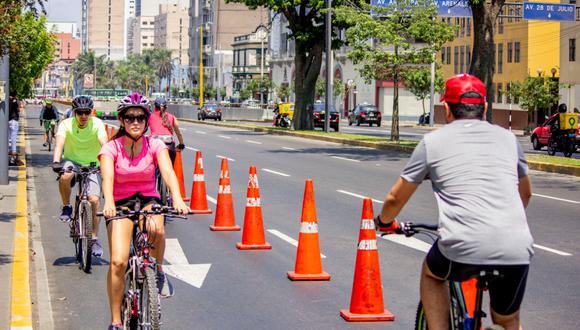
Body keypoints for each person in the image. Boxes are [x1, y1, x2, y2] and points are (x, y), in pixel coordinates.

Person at [375, 74, 533, 330]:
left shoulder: (432, 142)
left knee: (431, 275)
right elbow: (525, 194)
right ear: (484, 108)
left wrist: (384, 223)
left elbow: (395, 197)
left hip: (461, 244)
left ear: (446, 109)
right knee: (507, 319)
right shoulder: (509, 140)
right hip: (515, 246)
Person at [99, 92, 189, 329]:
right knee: (118, 262)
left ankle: (157, 271)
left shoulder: (155, 144)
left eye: (140, 117)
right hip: (120, 203)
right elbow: (107, 178)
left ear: (147, 120)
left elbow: (168, 173)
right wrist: (108, 202)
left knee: (156, 228)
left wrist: (178, 198)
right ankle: (116, 320)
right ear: (122, 120)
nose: (135, 121)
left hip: (148, 199)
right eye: (130, 117)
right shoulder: (111, 147)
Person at [52, 95, 107, 257]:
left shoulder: (97, 124)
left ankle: (94, 238)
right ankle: (67, 206)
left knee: (95, 200)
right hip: (72, 161)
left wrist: (111, 160)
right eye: (80, 112)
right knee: (65, 176)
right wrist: (56, 161)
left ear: (91, 112)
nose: (83, 116)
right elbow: (59, 144)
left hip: (93, 165)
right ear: (74, 112)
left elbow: (105, 143)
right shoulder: (66, 124)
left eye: (86, 112)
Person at [148, 97, 185, 164]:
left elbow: (142, 130)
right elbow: (178, 133)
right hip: (170, 146)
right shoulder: (172, 117)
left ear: (155, 106)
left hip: (155, 146)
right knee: (169, 170)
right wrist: (181, 144)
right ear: (166, 107)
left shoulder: (150, 116)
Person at [8, 95, 23, 166]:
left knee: (8, 139)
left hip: (7, 121)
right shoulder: (15, 101)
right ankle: (12, 159)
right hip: (14, 120)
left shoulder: (6, 101)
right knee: (13, 139)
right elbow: (19, 109)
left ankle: (10, 158)